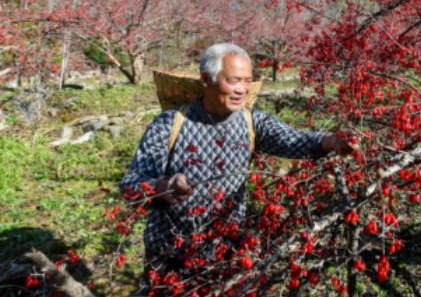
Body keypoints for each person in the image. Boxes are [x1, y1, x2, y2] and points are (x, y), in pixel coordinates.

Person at [119, 43, 352, 272]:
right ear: (205, 80)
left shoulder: (252, 122)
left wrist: (330, 141)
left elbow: (292, 140)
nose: (242, 89)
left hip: (224, 252)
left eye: (247, 81)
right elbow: (131, 185)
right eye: (233, 80)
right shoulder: (170, 124)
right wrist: (162, 188)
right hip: (169, 253)